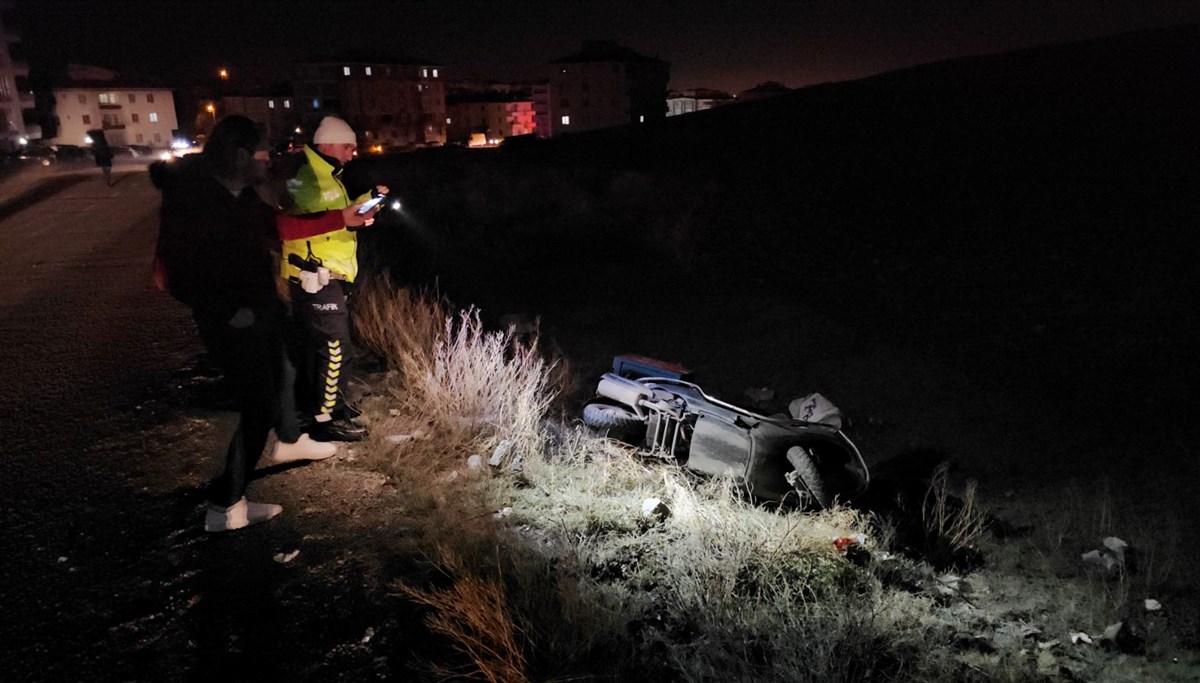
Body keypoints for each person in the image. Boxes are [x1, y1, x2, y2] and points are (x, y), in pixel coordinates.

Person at [150, 115, 337, 533]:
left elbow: (279, 227)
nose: (269, 160)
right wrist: (225, 311)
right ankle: (226, 504)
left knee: (285, 371)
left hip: (262, 308)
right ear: (238, 155)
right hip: (233, 322)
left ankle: (287, 443)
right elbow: (170, 275)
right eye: (262, 153)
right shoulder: (193, 200)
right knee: (258, 409)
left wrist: (344, 219)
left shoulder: (243, 197)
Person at [278, 115, 386, 442]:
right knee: (336, 347)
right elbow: (301, 222)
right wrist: (347, 221)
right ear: (326, 144)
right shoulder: (309, 177)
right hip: (315, 277)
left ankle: (329, 406)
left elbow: (329, 216)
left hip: (325, 276)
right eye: (347, 146)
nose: (353, 153)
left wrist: (361, 204)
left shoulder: (327, 175)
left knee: (323, 348)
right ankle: (326, 420)